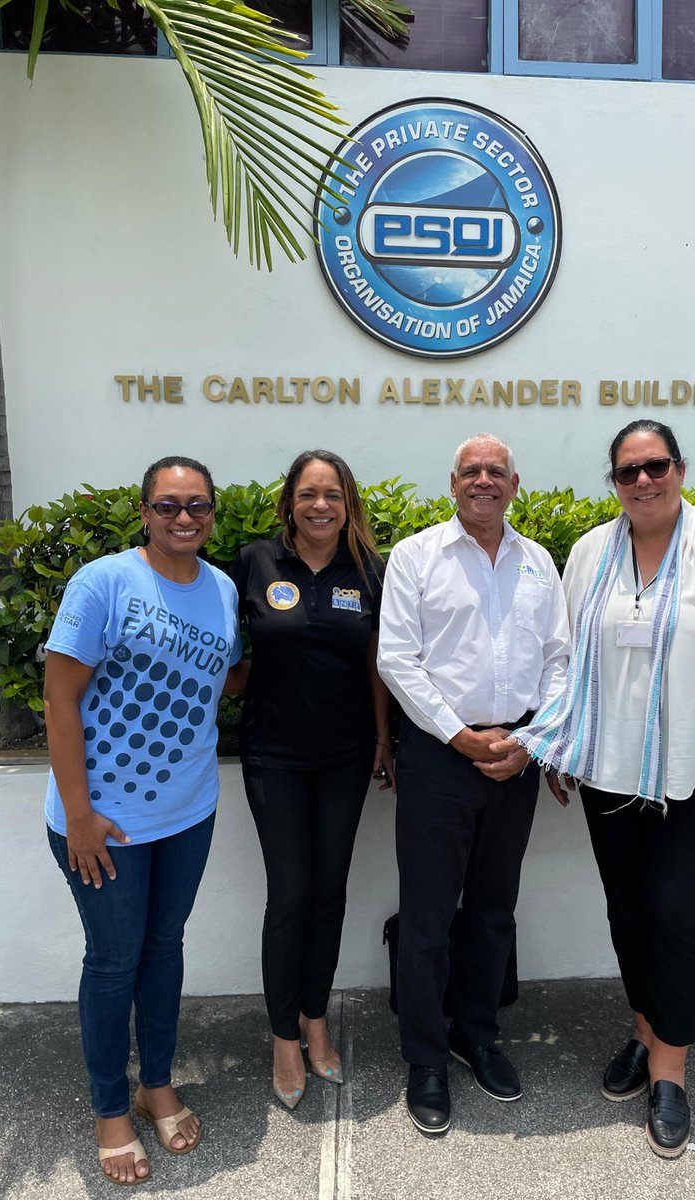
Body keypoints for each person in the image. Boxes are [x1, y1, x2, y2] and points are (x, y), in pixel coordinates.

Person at [510, 419, 695, 1158]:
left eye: (656, 465)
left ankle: (670, 1070)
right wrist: (559, 748)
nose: (643, 481)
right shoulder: (588, 552)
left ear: (679, 468)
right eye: (628, 471)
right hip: (608, 769)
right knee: (628, 908)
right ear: (613, 481)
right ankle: (645, 1028)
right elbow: (567, 658)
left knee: (676, 908)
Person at [44, 455, 242, 1185]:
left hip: (188, 813)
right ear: (143, 512)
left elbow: (221, 679)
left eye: (197, 506)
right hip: (104, 822)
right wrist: (78, 815)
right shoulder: (104, 582)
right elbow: (59, 697)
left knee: (164, 948)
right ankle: (109, 1109)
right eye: (168, 506)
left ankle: (156, 1082)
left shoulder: (221, 588)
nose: (184, 519)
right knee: (113, 960)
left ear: (212, 513)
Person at [377, 433, 570, 1136]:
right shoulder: (416, 557)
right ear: (452, 484)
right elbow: (398, 659)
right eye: (471, 471)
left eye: (496, 471)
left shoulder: (538, 562)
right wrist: (459, 735)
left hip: (515, 755)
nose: (483, 480)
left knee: (494, 910)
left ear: (514, 485)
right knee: (428, 917)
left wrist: (530, 741)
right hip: (439, 754)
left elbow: (559, 660)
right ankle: (426, 1056)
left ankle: (478, 1035)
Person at [229, 449, 394, 1110]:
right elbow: (225, 650)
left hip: (347, 754)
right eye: (308, 494)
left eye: (332, 494)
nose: (320, 505)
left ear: (348, 502)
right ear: (289, 502)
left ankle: (316, 1018)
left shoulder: (372, 570)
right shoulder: (254, 562)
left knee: (330, 892)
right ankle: (282, 1036)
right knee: (291, 893)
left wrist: (383, 738)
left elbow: (377, 662)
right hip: (273, 754)